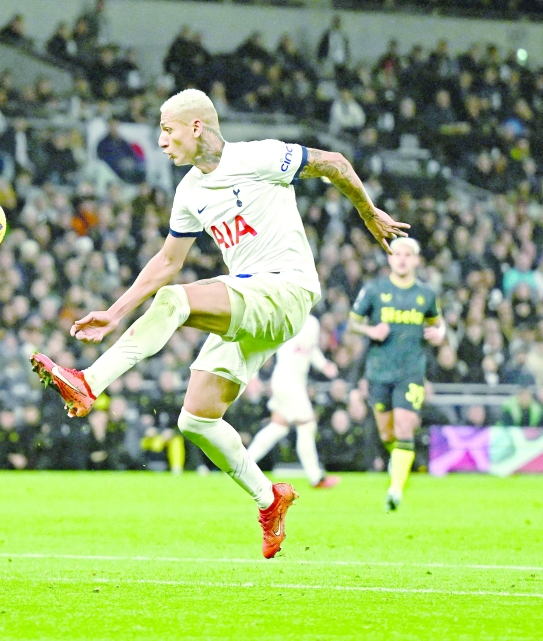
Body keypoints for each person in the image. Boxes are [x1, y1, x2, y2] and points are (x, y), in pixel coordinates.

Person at [30, 88, 408, 558]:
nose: (162, 142)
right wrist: (115, 311)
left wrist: (367, 212)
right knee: (196, 419)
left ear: (196, 127)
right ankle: (269, 499)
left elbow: (333, 162)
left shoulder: (259, 157)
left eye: (167, 130)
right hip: (252, 299)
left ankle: (89, 381)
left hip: (287, 289)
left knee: (174, 301)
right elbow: (169, 260)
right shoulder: (188, 192)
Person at [348, 238, 445, 511]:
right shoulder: (375, 290)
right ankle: (398, 462)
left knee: (404, 425)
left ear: (416, 260)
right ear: (390, 259)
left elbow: (438, 323)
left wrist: (441, 333)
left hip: (411, 372)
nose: (401, 259)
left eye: (407, 255)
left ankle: (395, 490)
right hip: (379, 372)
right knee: (387, 432)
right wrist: (370, 331)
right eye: (396, 254)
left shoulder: (425, 294)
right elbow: (353, 323)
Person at [246, 314, 341, 489]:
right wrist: (254, 376)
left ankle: (242, 465)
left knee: (278, 427)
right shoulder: (286, 319)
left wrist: (324, 365)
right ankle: (316, 478)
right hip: (287, 382)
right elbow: (263, 345)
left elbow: (311, 350)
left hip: (294, 383)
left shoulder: (312, 322)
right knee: (307, 425)